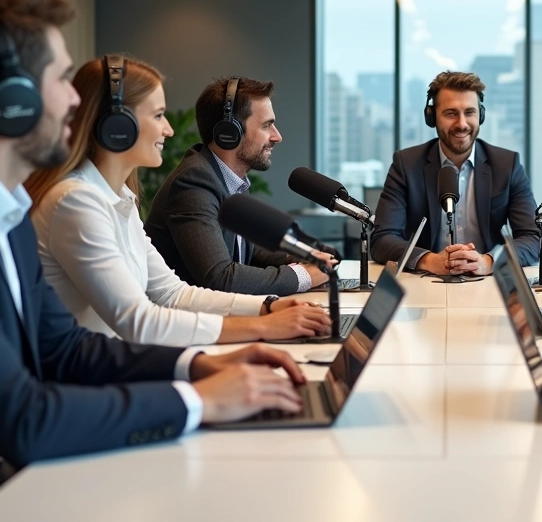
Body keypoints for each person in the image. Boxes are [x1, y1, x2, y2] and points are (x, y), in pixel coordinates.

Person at [0, 0, 310, 503]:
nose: (74, 100)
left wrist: (200, 365)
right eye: (61, 79)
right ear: (10, 99)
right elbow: (22, 417)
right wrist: (199, 401)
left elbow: (63, 349)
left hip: (0, 473)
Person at [24, 60, 330, 347]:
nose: (169, 130)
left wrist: (268, 306)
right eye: (158, 115)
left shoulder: (120, 199)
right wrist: (265, 325)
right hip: (95, 373)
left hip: (123, 362)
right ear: (118, 125)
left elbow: (173, 293)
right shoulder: (76, 201)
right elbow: (137, 321)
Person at [145, 77, 334, 296]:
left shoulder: (227, 179)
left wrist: (299, 256)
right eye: (266, 125)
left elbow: (246, 252)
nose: (277, 136)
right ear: (230, 132)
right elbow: (220, 277)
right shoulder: (193, 182)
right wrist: (304, 276)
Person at [371, 70, 540, 276]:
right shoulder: (406, 165)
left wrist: (489, 261)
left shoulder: (507, 165)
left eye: (469, 112)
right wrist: (429, 260)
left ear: (480, 115)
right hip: (426, 282)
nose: (461, 124)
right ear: (432, 117)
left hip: (487, 283)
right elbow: (381, 239)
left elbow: (533, 238)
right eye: (451, 113)